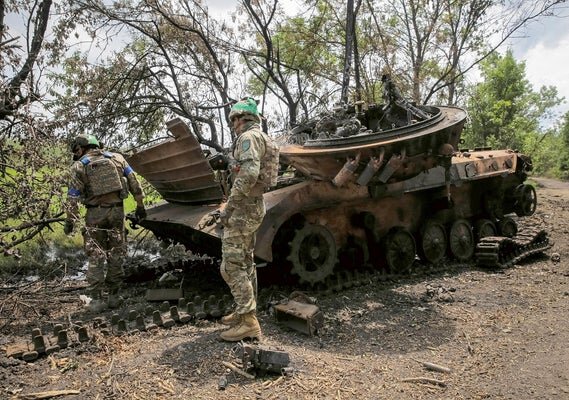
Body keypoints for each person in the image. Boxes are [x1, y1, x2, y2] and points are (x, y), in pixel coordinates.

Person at [218, 98, 279, 341]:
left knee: (231, 265)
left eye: (235, 119)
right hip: (253, 205)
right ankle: (245, 312)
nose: (233, 124)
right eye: (232, 120)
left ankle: (248, 321)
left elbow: (249, 174)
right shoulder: (262, 137)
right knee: (245, 260)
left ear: (244, 118)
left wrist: (229, 207)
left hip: (243, 208)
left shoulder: (248, 138)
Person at [64, 134, 146, 313]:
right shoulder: (117, 158)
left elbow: (72, 197)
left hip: (95, 214)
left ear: (81, 148)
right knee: (116, 252)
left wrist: (70, 220)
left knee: (96, 255)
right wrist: (140, 206)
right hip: (117, 211)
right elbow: (135, 184)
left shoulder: (79, 166)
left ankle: (96, 300)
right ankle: (114, 296)